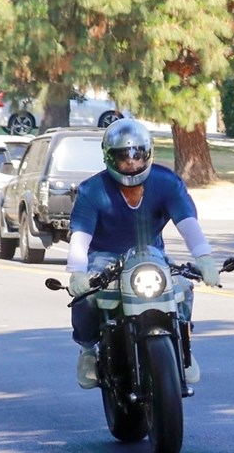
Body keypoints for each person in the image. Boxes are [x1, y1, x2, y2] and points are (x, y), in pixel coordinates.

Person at [66, 119, 220, 389]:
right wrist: (78, 272)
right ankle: (88, 350)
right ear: (109, 157)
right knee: (87, 297)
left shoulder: (167, 183)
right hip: (105, 256)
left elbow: (187, 222)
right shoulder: (92, 191)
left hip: (151, 255)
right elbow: (81, 235)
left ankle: (184, 348)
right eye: (123, 157)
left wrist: (204, 258)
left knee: (183, 287)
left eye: (137, 155)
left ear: (148, 154)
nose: (131, 162)